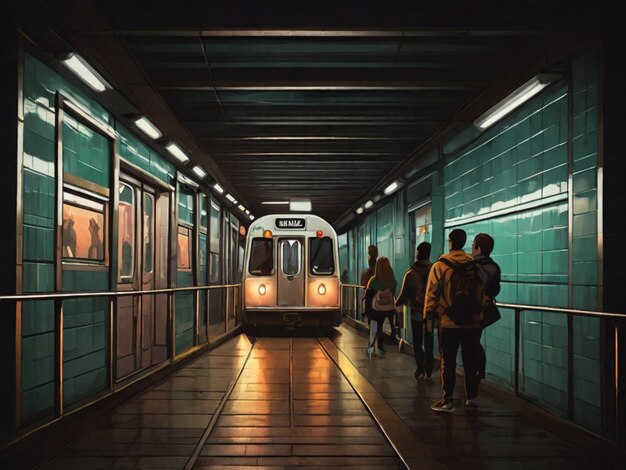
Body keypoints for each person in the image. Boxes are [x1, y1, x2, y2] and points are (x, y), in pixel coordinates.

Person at [424, 228, 484, 412]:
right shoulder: (474, 266)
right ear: (464, 243)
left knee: (447, 360)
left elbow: (432, 294)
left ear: (450, 242)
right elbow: (479, 294)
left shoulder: (440, 266)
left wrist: (428, 318)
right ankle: (471, 397)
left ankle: (448, 399)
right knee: (470, 360)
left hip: (449, 322)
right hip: (471, 322)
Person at [395, 242, 433, 379]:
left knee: (417, 341)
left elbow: (403, 294)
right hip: (430, 312)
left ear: (418, 253)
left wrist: (396, 303)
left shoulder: (411, 273)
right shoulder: (435, 269)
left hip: (417, 311)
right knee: (429, 339)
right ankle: (429, 368)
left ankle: (420, 368)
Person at [472, 233, 502, 380]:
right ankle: (479, 371)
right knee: (475, 339)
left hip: (469, 310)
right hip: (484, 310)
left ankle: (473, 375)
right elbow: (495, 289)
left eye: (473, 245)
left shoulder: (470, 265)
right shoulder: (494, 267)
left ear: (477, 248)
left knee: (469, 342)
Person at [363, 256, 397, 358]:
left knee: (373, 331)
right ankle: (380, 350)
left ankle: (371, 350)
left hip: (375, 310)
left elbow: (367, 297)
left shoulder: (373, 281)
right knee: (381, 330)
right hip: (387, 310)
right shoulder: (392, 281)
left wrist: (366, 313)